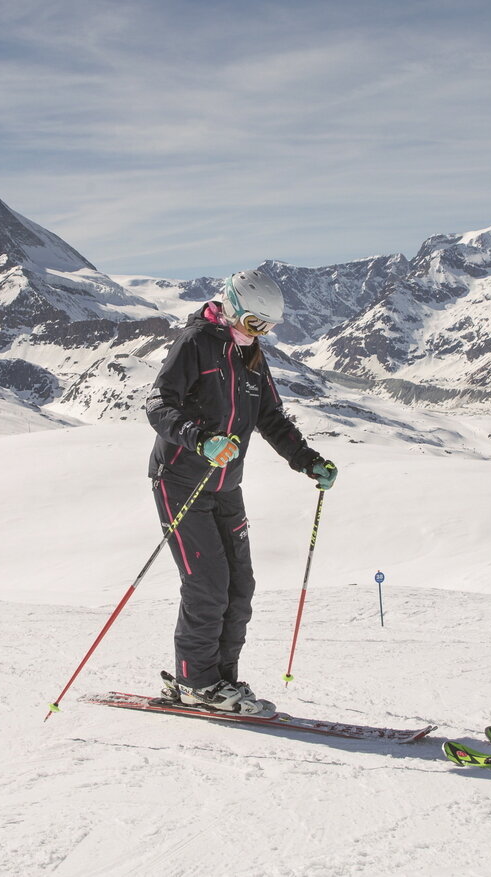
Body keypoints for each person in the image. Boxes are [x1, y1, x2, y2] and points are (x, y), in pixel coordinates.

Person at [145, 268, 338, 716]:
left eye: (270, 327)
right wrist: (200, 438)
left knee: (239, 586)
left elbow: (270, 417)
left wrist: (307, 461)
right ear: (231, 306)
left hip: (225, 485)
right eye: (255, 323)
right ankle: (195, 682)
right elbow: (158, 405)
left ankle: (220, 680)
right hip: (180, 480)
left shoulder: (251, 355)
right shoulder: (196, 343)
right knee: (207, 584)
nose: (261, 333)